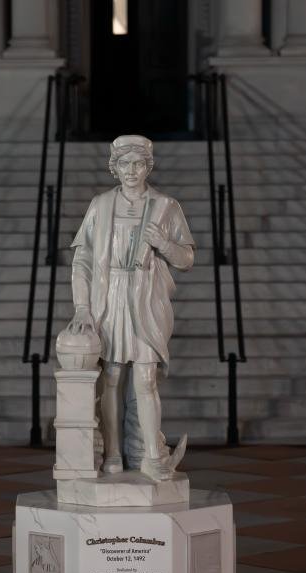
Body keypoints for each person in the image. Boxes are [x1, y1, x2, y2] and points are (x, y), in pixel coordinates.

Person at [65, 135, 195, 481]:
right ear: (115, 167)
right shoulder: (101, 205)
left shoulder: (166, 206)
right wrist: (82, 308)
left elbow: (186, 259)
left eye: (138, 163)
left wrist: (163, 243)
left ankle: (152, 455)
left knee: (145, 377)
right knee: (111, 375)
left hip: (147, 300)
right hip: (109, 298)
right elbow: (82, 261)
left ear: (148, 166)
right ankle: (113, 453)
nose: (132, 171)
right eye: (124, 164)